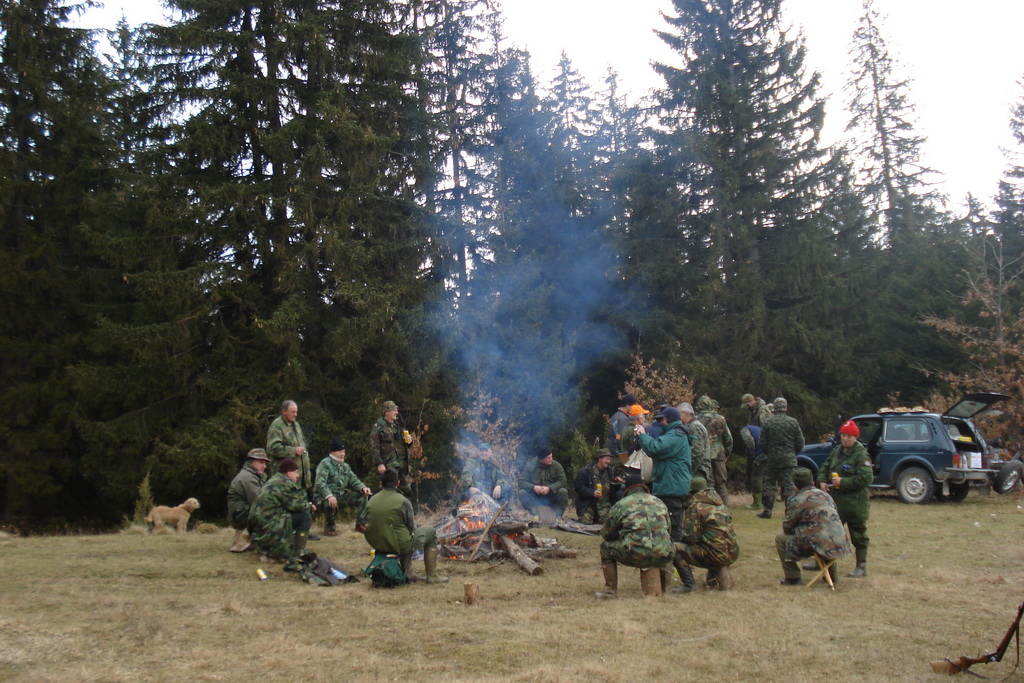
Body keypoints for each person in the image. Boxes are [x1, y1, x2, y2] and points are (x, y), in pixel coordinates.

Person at [635, 406, 696, 592]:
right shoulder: (676, 434)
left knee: (673, 536)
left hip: (672, 490)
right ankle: (670, 577)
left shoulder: (676, 435)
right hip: (670, 488)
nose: (660, 422)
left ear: (668, 420)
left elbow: (654, 447)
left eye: (662, 420)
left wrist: (642, 434)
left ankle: (688, 582)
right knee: (669, 533)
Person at [594, 474, 675, 599]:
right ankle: (666, 590)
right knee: (666, 544)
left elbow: (607, 534)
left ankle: (610, 592)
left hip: (635, 554)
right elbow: (668, 530)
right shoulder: (659, 502)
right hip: (663, 554)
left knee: (605, 548)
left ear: (626, 490)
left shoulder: (621, 505)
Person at [364, 468, 448, 584]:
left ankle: (408, 572)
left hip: (376, 543)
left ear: (381, 483)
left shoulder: (371, 500)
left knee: (402, 534)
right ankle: (432, 576)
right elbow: (412, 527)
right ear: (397, 483)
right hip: (397, 544)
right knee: (430, 533)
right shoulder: (403, 501)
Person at [816, 420, 873, 578]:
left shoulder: (861, 455)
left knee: (859, 536)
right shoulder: (837, 451)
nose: (845, 439)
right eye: (843, 435)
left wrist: (844, 482)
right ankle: (822, 563)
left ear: (855, 438)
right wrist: (821, 480)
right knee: (829, 534)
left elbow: (866, 478)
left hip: (855, 504)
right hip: (837, 503)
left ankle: (861, 566)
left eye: (849, 436)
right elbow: (825, 466)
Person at [776, 468, 850, 585]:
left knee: (781, 538)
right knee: (824, 533)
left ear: (795, 486)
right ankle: (832, 576)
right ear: (813, 482)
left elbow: (788, 527)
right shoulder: (826, 495)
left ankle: (793, 577)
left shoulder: (796, 500)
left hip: (819, 544)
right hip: (841, 543)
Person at [675, 477, 740, 590]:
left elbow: (692, 537)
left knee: (674, 549)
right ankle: (715, 579)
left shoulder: (696, 507)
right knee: (714, 544)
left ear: (692, 493)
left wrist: (680, 537)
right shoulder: (721, 505)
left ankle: (689, 584)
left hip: (714, 554)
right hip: (731, 552)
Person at [249, 458, 316, 565]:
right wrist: (309, 506)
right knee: (305, 517)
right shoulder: (285, 482)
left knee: (295, 515)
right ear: (289, 473)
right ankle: (297, 552)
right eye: (296, 472)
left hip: (258, 524)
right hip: (269, 523)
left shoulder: (275, 479)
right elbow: (295, 505)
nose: (298, 475)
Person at [757, 397, 805, 520]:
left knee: (770, 483)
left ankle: (768, 510)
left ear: (775, 408)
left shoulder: (768, 422)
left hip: (773, 457)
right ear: (785, 408)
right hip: (789, 458)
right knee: (789, 484)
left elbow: (762, 442)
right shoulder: (793, 422)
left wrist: (769, 452)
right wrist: (793, 452)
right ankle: (789, 512)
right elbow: (800, 441)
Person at [314, 438, 372, 536]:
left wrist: (362, 488)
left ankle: (360, 524)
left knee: (363, 495)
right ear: (333, 452)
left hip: (340, 496)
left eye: (344, 451)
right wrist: (329, 495)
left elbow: (353, 480)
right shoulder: (325, 464)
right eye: (340, 451)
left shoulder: (345, 466)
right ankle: (330, 527)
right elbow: (320, 483)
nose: (342, 454)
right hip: (324, 497)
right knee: (330, 502)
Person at [226, 448, 270, 552]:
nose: (264, 466)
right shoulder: (247, 478)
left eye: (264, 463)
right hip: (241, 514)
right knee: (270, 514)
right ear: (251, 462)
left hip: (243, 512)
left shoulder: (255, 476)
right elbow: (260, 501)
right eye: (261, 462)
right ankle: (243, 542)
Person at [266, 400, 313, 495]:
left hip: (301, 480)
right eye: (292, 412)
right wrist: (293, 451)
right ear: (283, 412)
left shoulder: (296, 425)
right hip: (285, 481)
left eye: (296, 412)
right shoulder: (277, 427)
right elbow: (272, 448)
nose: (295, 414)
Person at [695, 395, 733, 504]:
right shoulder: (720, 418)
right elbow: (728, 438)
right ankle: (725, 507)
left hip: (703, 454)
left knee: (708, 482)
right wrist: (727, 454)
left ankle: (710, 506)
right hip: (719, 454)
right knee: (721, 483)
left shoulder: (696, 419)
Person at [370, 400, 411, 497]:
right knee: (388, 491)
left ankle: (405, 511)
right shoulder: (378, 427)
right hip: (389, 464)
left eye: (396, 410)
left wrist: (409, 441)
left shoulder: (397, 427)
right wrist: (379, 464)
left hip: (402, 464)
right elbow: (374, 446)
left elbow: (404, 444)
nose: (396, 412)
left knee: (406, 491)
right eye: (394, 410)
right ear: (386, 412)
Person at [518, 449, 570, 519]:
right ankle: (535, 514)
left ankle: (558, 516)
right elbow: (521, 482)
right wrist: (533, 487)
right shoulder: (531, 466)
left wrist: (549, 488)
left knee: (563, 491)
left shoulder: (556, 466)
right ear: (541, 460)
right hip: (535, 497)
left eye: (551, 457)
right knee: (521, 493)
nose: (550, 459)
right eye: (548, 458)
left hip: (551, 497)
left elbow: (563, 481)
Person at [574, 448, 620, 524]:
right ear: (600, 459)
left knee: (611, 524)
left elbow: (614, 491)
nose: (609, 462)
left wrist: (617, 483)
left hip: (605, 506)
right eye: (607, 459)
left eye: (609, 459)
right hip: (589, 505)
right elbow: (578, 487)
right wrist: (592, 493)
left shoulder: (611, 472)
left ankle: (599, 518)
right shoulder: (586, 471)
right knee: (585, 522)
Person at [678, 402, 711, 480]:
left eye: (678, 414)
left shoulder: (695, 427)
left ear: (684, 413)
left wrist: (689, 470)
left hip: (698, 469)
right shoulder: (689, 426)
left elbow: (698, 452)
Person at [740, 425, 764, 510]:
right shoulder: (758, 429)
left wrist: (753, 455)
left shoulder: (744, 430)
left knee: (756, 477)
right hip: (769, 453)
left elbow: (749, 441)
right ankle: (768, 501)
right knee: (766, 477)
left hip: (759, 455)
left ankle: (757, 503)